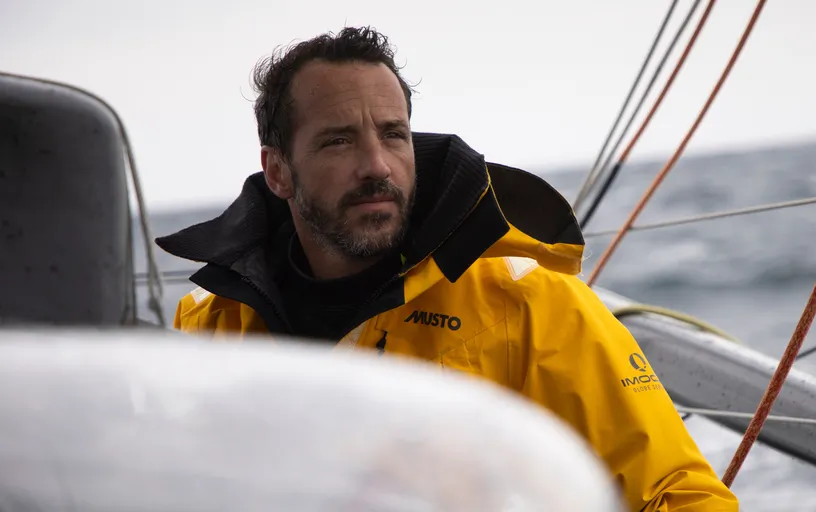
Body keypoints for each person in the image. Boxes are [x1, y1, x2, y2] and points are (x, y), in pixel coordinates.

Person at [155, 26, 739, 511]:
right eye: (338, 141)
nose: (376, 165)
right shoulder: (213, 331)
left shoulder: (529, 306)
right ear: (278, 170)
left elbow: (678, 495)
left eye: (393, 135)